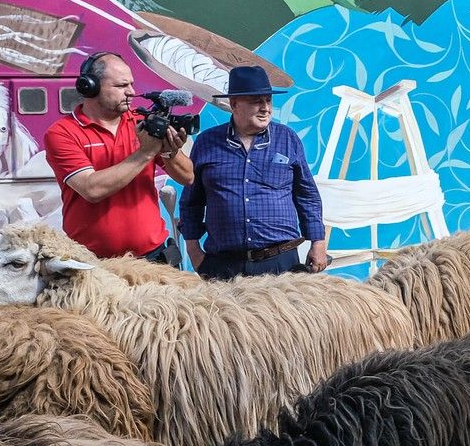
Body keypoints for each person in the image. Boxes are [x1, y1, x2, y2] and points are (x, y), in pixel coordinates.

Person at [180, 65, 328, 279]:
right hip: (223, 267)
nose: (265, 108)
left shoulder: (287, 139)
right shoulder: (207, 142)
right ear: (234, 104)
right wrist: (194, 252)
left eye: (268, 100)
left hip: (280, 264)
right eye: (256, 101)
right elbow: (191, 202)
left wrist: (318, 243)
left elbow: (307, 196)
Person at [43, 51, 192, 261]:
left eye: (131, 84)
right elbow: (91, 189)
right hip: (95, 264)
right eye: (122, 86)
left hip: (153, 259)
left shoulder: (142, 122)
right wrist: (146, 152)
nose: (131, 92)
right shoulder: (62, 132)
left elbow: (187, 177)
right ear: (90, 86)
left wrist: (170, 151)